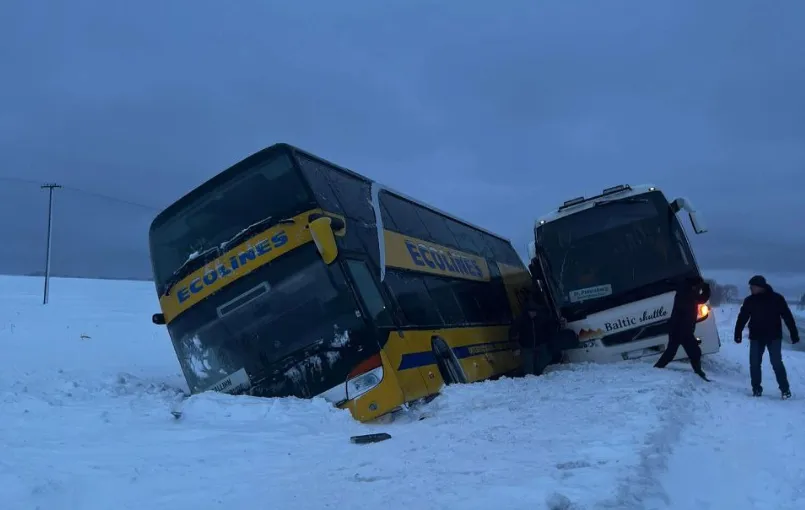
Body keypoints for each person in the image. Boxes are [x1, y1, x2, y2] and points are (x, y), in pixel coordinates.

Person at [734, 275, 799, 399]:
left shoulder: (777, 299)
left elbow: (787, 316)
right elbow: (742, 317)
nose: (751, 289)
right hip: (756, 337)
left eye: (753, 287)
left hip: (773, 336)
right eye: (750, 287)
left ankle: (785, 389)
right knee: (754, 363)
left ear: (760, 287)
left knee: (776, 362)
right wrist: (738, 333)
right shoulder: (750, 300)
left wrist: (793, 333)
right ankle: (756, 389)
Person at [653, 275, 711, 381]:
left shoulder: (685, 291)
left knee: (671, 352)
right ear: (694, 286)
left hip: (678, 328)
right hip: (681, 329)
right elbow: (701, 299)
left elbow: (699, 299)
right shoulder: (686, 294)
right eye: (698, 287)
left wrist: (705, 289)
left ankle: (657, 368)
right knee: (694, 352)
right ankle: (699, 372)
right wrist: (706, 289)